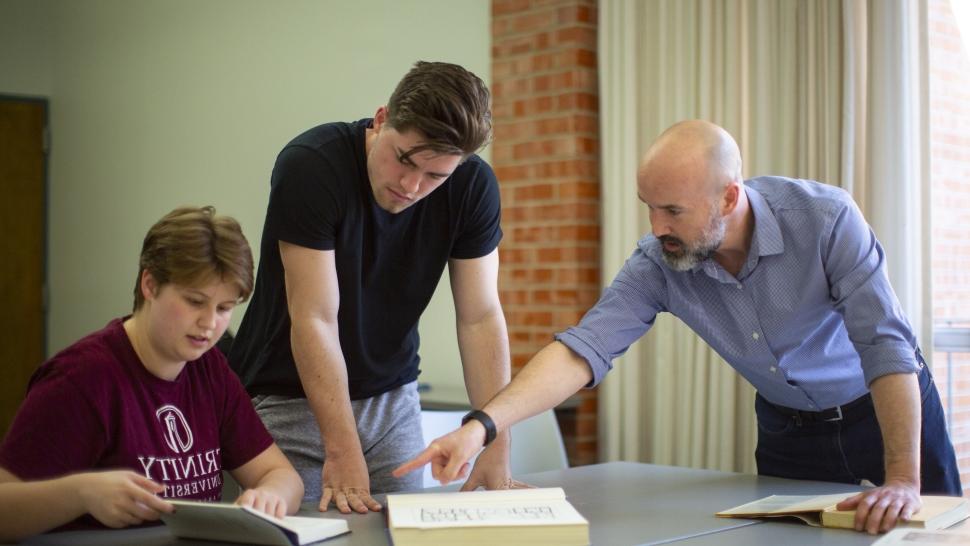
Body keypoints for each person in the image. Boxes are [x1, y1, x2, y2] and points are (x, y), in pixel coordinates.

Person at [394, 120, 962, 535]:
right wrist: (481, 427)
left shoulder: (826, 219)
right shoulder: (658, 261)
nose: (656, 227)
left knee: (935, 536)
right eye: (648, 207)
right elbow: (581, 350)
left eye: (673, 211)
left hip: (885, 408)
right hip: (790, 430)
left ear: (730, 197)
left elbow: (885, 345)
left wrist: (902, 477)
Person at [228, 61, 515, 515]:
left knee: (401, 536)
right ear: (381, 119)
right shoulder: (312, 165)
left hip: (391, 400)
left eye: (435, 176)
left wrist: (494, 442)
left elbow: (480, 318)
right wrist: (341, 449)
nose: (411, 186)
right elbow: (315, 318)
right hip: (288, 399)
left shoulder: (473, 187)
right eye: (404, 159)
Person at [0, 206, 303, 542]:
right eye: (194, 301)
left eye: (224, 308)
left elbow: (281, 475)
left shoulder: (210, 368)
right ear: (149, 284)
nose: (209, 323)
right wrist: (80, 493)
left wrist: (270, 496)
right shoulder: (80, 379)